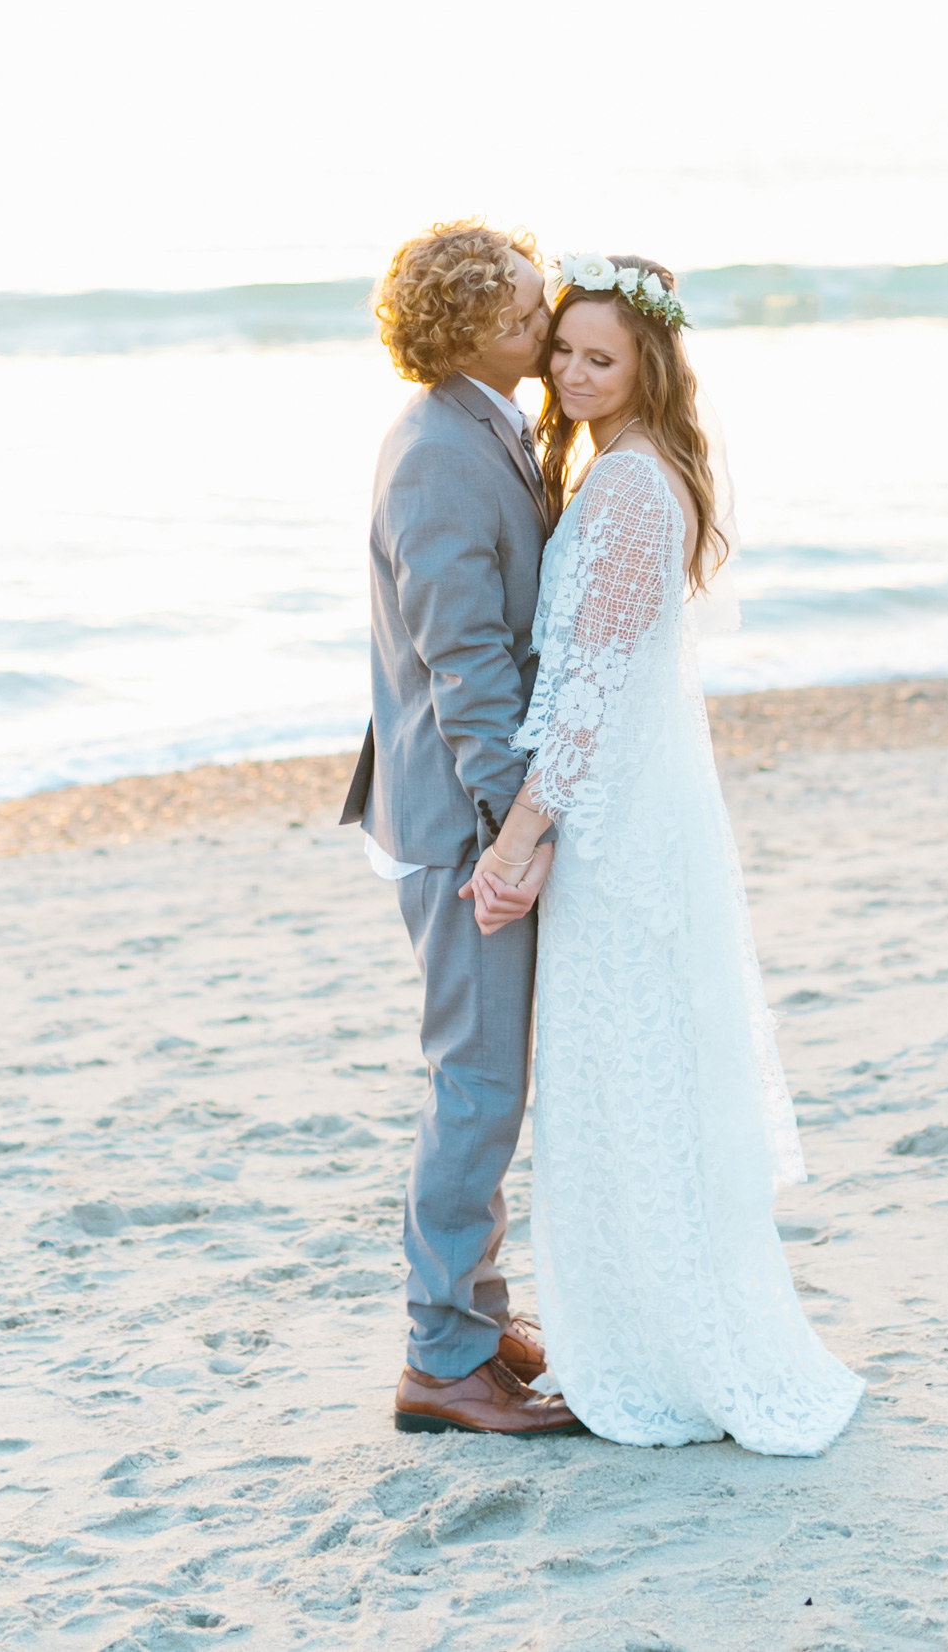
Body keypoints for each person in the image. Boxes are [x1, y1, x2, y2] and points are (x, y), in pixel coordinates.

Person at [468, 251, 864, 1456]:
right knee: (620, 1074)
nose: (577, 375)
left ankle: (668, 1351)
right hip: (628, 815)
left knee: (626, 1074)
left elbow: (586, 691)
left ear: (650, 364)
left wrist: (520, 839)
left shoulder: (634, 489)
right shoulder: (623, 469)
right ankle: (639, 1334)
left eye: (603, 358)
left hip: (617, 830)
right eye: (565, 354)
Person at [339, 220, 582, 1437]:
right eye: (533, 311)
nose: (549, 323)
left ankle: (475, 1315)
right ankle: (441, 1356)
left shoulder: (482, 420)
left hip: (463, 805)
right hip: (456, 820)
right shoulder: (437, 451)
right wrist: (512, 835)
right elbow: (464, 663)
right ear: (483, 327)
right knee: (478, 1086)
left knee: (486, 1075)